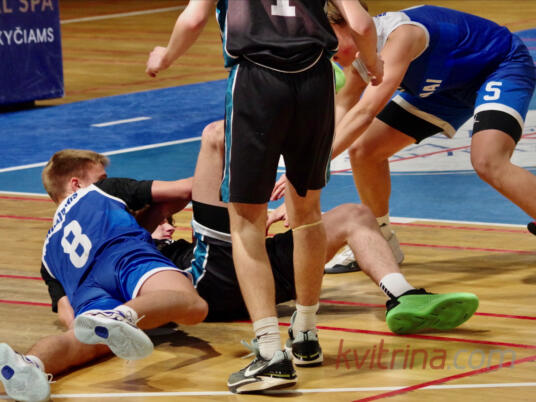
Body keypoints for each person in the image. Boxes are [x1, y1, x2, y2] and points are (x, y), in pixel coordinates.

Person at [146, 0, 384, 393]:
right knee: (307, 213)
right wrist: (373, 64)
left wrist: (166, 56)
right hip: (316, 81)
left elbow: (193, 18)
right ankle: (305, 333)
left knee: (246, 223)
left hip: (257, 81)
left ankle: (271, 353)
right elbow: (360, 23)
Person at [326, 2, 536, 255]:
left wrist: (316, 166)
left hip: (498, 66)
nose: (324, 48)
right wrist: (311, 161)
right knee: (364, 151)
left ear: (349, 25)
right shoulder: (360, 59)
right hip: (444, 89)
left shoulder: (401, 36)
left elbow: (365, 112)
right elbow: (343, 107)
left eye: (327, 36)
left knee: (489, 160)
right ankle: (380, 239)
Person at [0, 150, 208, 402]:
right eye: (100, 177)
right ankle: (121, 316)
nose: (104, 180)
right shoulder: (102, 191)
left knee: (79, 340)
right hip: (123, 257)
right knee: (193, 305)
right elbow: (187, 189)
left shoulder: (48, 252)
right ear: (76, 183)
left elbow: (70, 317)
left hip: (87, 292)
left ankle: (29, 363)